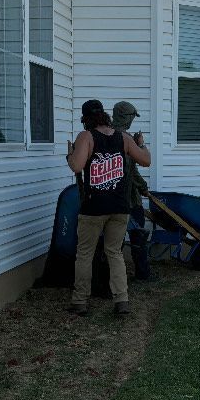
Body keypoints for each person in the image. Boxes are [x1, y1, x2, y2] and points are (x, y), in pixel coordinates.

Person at [67, 99, 152, 316]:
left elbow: (76, 166)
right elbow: (145, 160)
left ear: (86, 118)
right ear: (104, 115)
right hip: (119, 207)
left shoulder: (86, 137)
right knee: (115, 252)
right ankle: (121, 300)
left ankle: (80, 302)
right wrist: (141, 144)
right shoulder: (123, 137)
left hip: (94, 207)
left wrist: (71, 155)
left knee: (85, 253)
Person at [111, 100, 152, 281]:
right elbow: (133, 170)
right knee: (138, 236)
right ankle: (142, 274)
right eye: (132, 117)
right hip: (128, 199)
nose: (132, 121)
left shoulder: (107, 135)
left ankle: (113, 276)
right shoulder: (124, 138)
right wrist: (141, 145)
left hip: (112, 199)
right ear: (126, 118)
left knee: (113, 241)